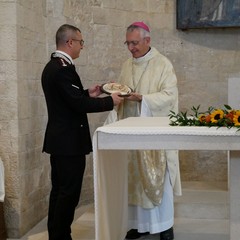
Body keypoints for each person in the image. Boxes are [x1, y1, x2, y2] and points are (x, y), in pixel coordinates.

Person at [41, 24, 123, 240]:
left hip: (60, 141)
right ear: (70, 42)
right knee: (67, 194)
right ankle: (61, 237)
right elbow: (77, 105)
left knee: (59, 192)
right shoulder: (63, 69)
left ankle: (56, 235)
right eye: (80, 42)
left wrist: (90, 92)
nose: (82, 47)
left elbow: (69, 99)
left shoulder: (53, 66)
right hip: (69, 143)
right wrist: (110, 101)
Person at [114, 22, 182, 240]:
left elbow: (170, 96)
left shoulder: (163, 64)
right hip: (131, 135)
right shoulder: (126, 65)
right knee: (133, 181)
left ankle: (165, 226)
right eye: (128, 43)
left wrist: (143, 98)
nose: (131, 48)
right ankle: (138, 225)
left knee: (157, 179)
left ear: (147, 40)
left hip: (154, 135)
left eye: (134, 43)